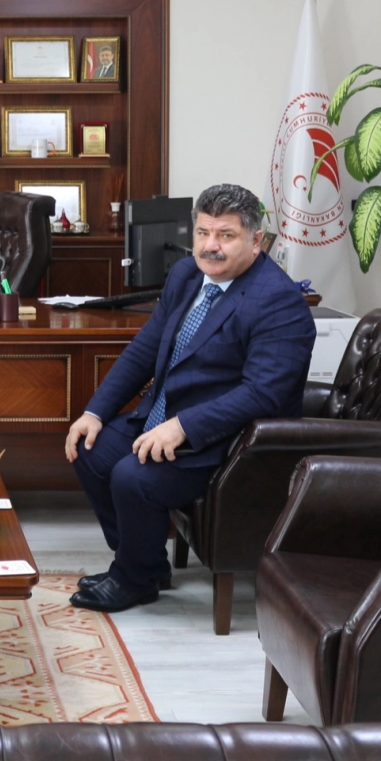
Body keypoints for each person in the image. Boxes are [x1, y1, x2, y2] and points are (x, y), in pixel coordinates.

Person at [64, 183, 315, 613]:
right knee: (89, 450)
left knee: (132, 477)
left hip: (229, 443)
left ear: (256, 240)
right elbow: (145, 349)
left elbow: (263, 393)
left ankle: (133, 580)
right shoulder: (186, 275)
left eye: (226, 235)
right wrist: (95, 411)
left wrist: (183, 426)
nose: (210, 246)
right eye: (202, 233)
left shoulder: (278, 302)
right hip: (163, 417)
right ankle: (144, 565)